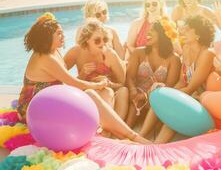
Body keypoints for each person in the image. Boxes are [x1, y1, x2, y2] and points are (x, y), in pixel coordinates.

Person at [17, 13, 150, 144]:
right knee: (91, 93)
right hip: (35, 111)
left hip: (49, 103)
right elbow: (73, 82)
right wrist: (97, 84)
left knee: (102, 92)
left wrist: (104, 84)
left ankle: (118, 133)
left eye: (62, 32)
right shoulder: (46, 58)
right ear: (47, 37)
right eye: (58, 33)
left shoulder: (54, 51)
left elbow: (120, 81)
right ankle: (131, 136)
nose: (63, 36)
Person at [154, 15, 216, 143]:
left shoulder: (207, 54)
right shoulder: (187, 48)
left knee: (173, 109)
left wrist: (169, 94)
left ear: (198, 34)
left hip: (205, 99)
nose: (182, 32)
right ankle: (140, 136)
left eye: (187, 30)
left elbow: (191, 87)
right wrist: (168, 91)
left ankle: (156, 145)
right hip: (191, 94)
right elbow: (182, 80)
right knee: (159, 94)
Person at [125, 17, 181, 138]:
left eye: (152, 31)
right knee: (135, 102)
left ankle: (140, 137)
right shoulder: (138, 53)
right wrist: (133, 91)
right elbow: (129, 77)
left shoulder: (174, 59)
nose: (147, 34)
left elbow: (169, 87)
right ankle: (125, 133)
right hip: (136, 97)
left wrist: (147, 95)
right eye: (147, 31)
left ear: (163, 35)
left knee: (157, 93)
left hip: (157, 101)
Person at [64, 18, 129, 120]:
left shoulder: (110, 54)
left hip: (110, 92)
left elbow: (122, 83)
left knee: (122, 91)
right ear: (87, 40)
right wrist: (82, 74)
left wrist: (108, 84)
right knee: (103, 93)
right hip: (87, 93)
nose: (103, 43)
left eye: (105, 39)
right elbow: (62, 77)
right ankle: (108, 128)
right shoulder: (76, 52)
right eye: (97, 40)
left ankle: (115, 127)